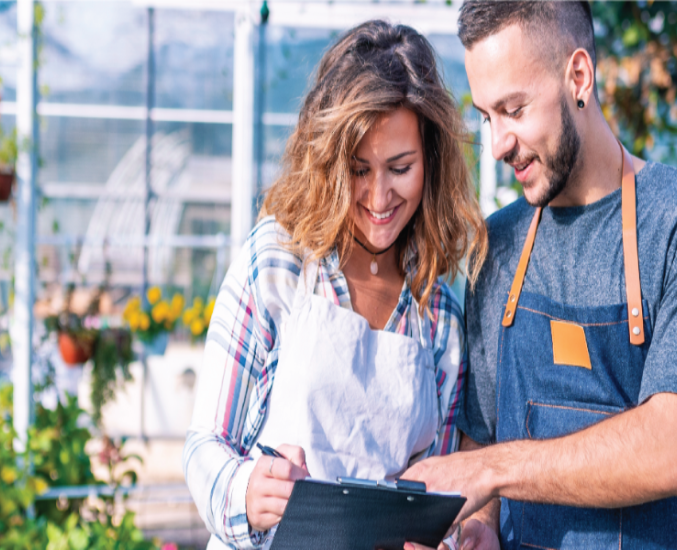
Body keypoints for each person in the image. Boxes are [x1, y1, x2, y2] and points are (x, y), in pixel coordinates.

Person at [403, 2, 677, 549]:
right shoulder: (499, 246)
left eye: (513, 109)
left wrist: (494, 472)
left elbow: (674, 450)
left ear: (578, 77)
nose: (497, 145)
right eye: (488, 117)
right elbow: (479, 443)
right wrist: (479, 528)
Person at [183, 20, 488, 550]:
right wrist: (245, 490)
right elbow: (205, 445)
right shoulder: (276, 262)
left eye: (399, 168)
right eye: (357, 169)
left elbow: (430, 493)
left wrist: (450, 535)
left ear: (431, 162)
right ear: (326, 161)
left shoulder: (439, 313)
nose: (377, 196)